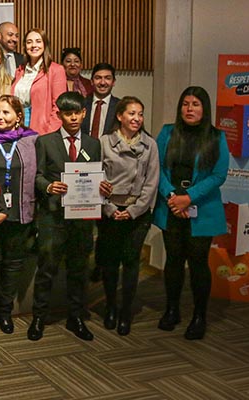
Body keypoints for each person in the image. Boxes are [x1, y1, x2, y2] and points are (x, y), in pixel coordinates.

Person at [153, 86, 229, 340]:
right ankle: (172, 310)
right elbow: (158, 168)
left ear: (204, 109)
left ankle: (199, 316)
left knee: (198, 264)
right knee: (173, 261)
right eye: (185, 104)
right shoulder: (167, 133)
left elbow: (219, 175)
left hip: (201, 209)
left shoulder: (216, 137)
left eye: (195, 104)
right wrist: (174, 198)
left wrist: (189, 198)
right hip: (171, 206)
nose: (189, 109)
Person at [29, 92, 100, 342]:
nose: (73, 118)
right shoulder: (45, 142)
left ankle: (76, 316)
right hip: (53, 215)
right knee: (47, 267)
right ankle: (39, 316)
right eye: (67, 113)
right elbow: (36, 176)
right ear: (59, 114)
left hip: (82, 216)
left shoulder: (93, 144)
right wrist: (49, 187)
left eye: (77, 112)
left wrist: (102, 188)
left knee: (79, 268)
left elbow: (95, 177)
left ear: (83, 113)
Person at [0, 95, 39, 335]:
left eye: (6, 113)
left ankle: (5, 311)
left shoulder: (31, 140)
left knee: (13, 264)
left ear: (18, 117)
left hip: (19, 211)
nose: (0, 117)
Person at [95, 97, 158, 336]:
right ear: (120, 116)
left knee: (131, 263)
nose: (137, 119)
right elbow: (95, 180)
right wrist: (110, 209)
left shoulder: (150, 145)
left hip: (137, 214)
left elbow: (151, 183)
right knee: (110, 264)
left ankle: (125, 312)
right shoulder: (104, 143)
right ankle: (110, 306)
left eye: (140, 114)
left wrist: (132, 211)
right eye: (132, 113)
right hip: (109, 211)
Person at [10, 28, 65, 134]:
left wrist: (48, 133)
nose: (34, 45)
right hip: (17, 128)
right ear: (25, 47)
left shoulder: (56, 70)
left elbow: (59, 106)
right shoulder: (19, 70)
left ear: (45, 45)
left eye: (38, 41)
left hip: (42, 130)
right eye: (29, 42)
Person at [82, 63, 120, 139]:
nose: (102, 82)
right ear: (92, 81)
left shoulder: (120, 106)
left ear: (113, 82)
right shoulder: (81, 104)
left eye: (107, 78)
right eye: (98, 78)